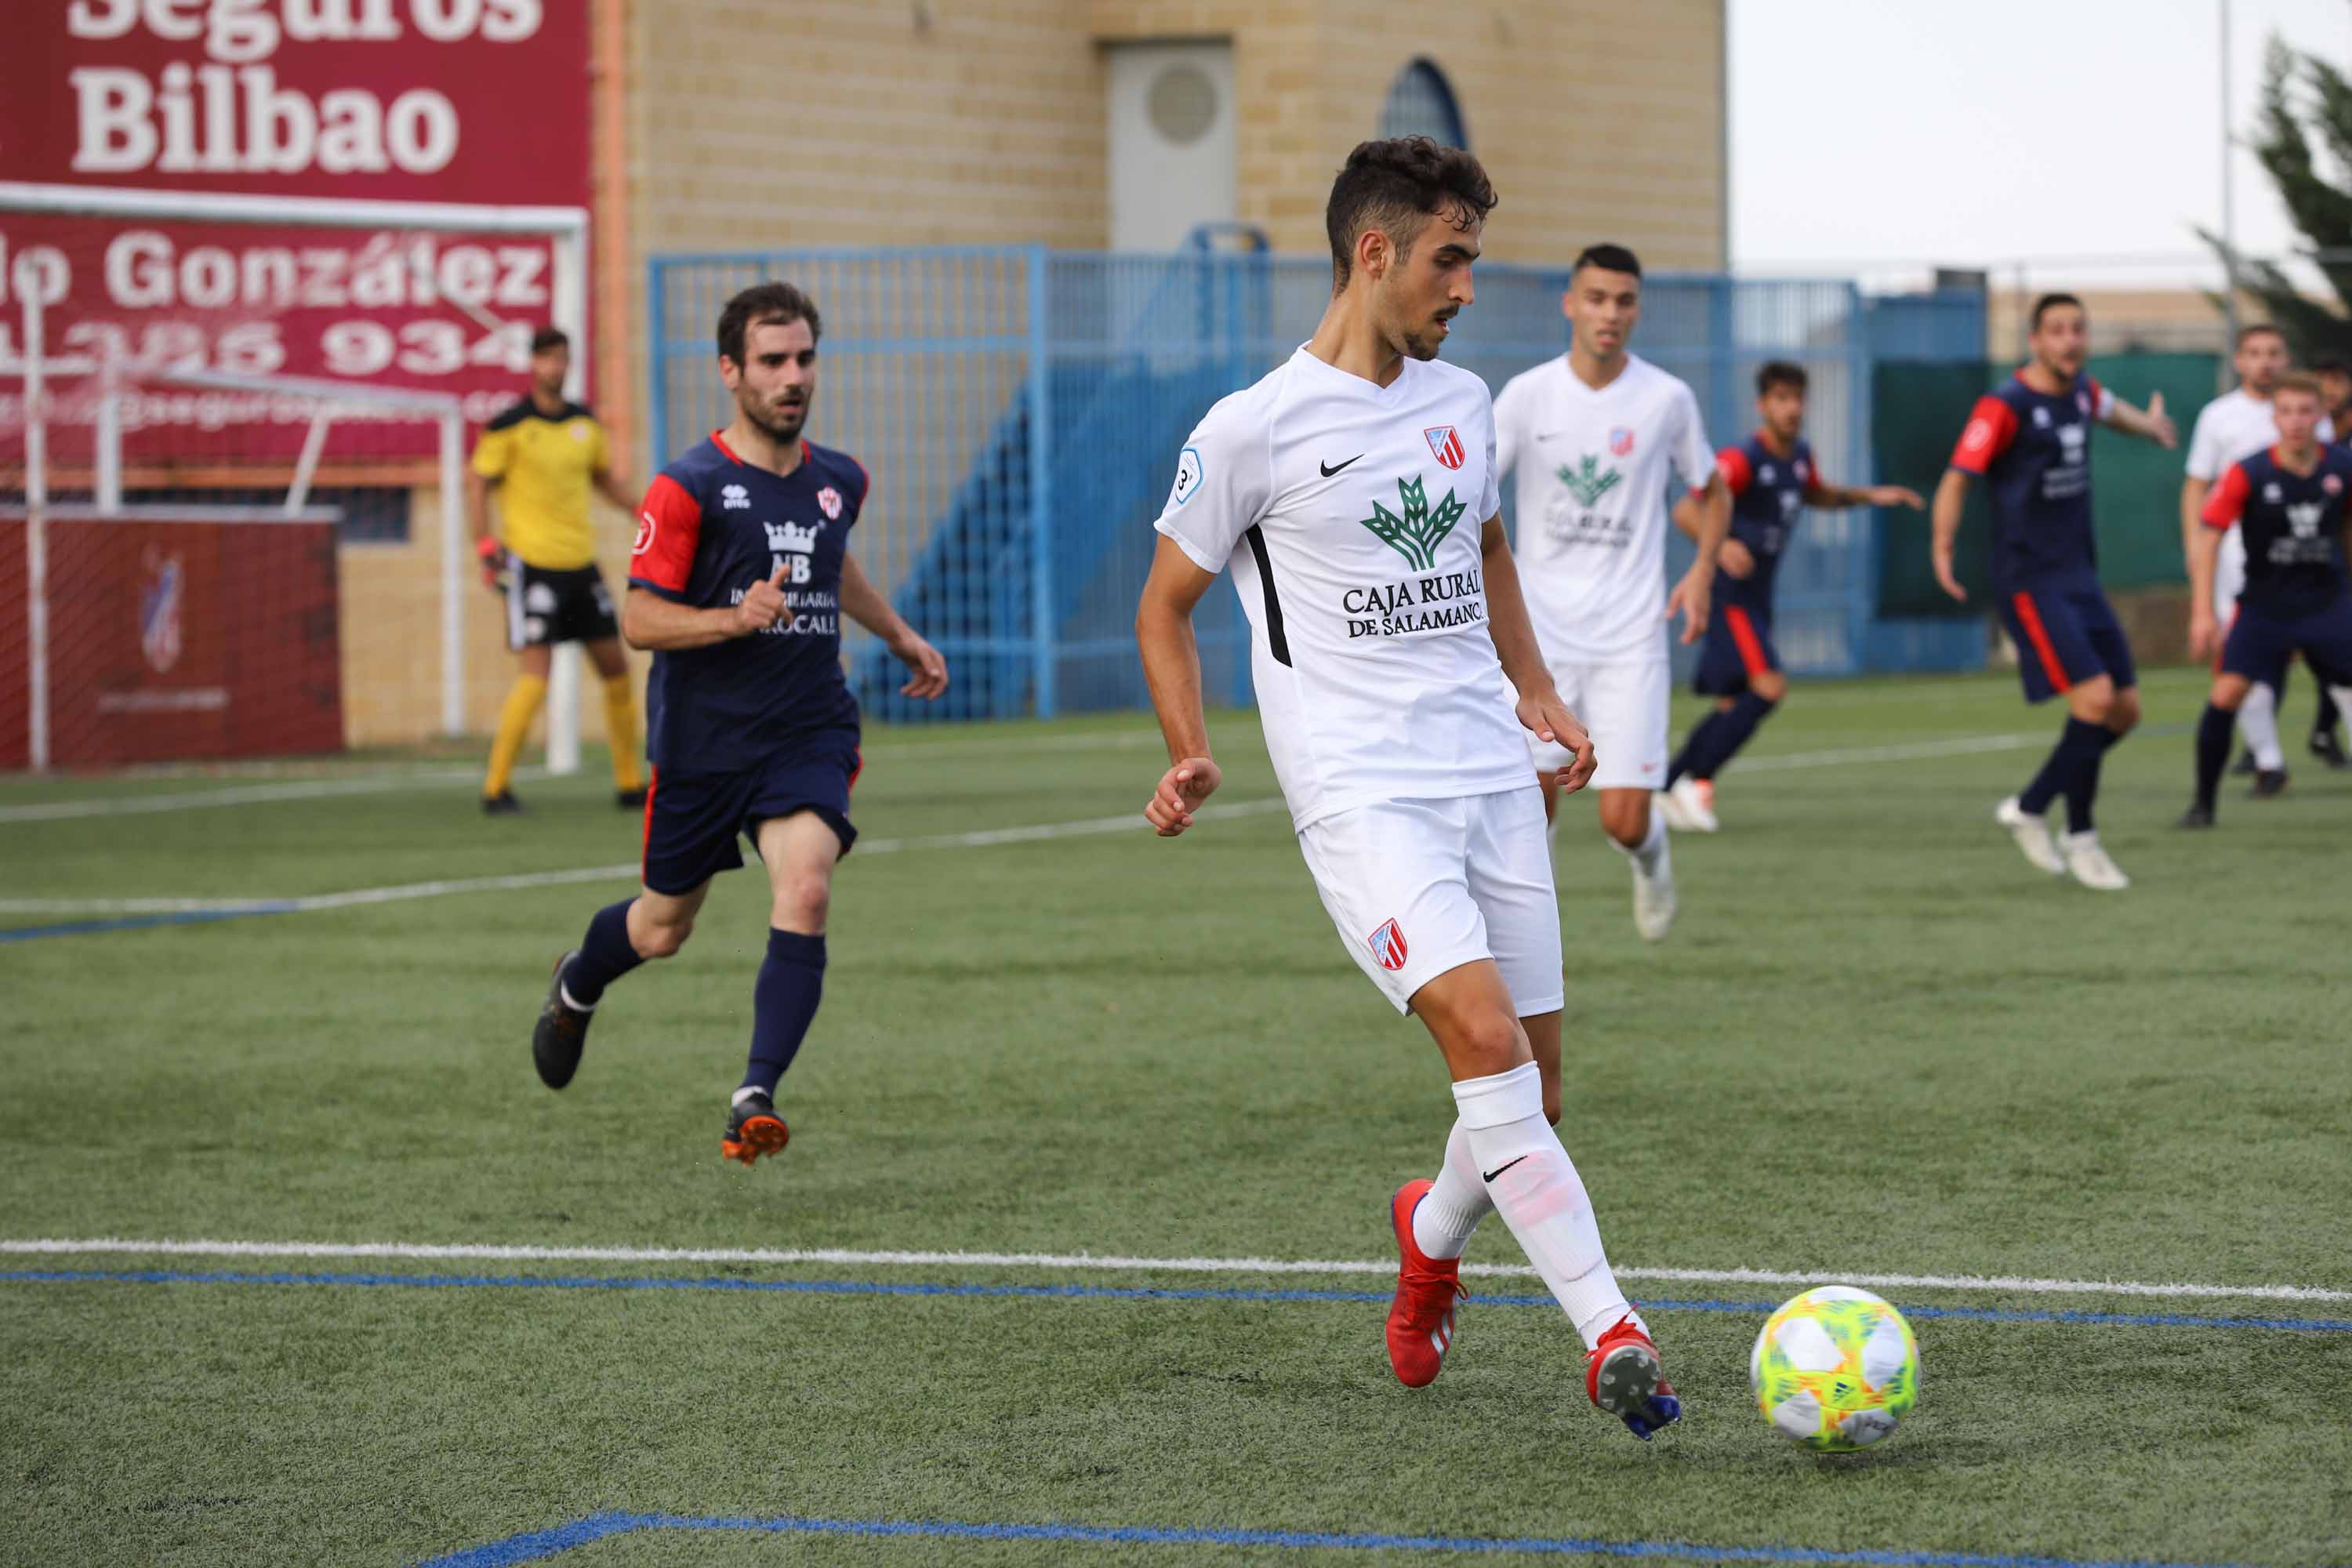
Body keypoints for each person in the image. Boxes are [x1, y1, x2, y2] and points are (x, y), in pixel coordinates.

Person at [1134, 137, 1679, 1440]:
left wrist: (1537, 693)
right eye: (1452, 259)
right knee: (1482, 1042)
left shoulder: (1462, 404)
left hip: (1493, 774)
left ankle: (1428, 1237)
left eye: (1474, 261)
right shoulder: (1252, 429)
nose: (1468, 288)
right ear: (1372, 253)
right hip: (1363, 794)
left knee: (1531, 1097)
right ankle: (1614, 1328)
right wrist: (1187, 746)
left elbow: (1486, 545)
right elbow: (1165, 606)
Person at [528, 282, 949, 1165]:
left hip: (806, 731)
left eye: (803, 359)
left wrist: (901, 634)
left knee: (806, 887)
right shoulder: (689, 487)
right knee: (661, 929)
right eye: (771, 362)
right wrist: (732, 617)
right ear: (731, 372)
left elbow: (832, 568)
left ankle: (754, 1092)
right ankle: (578, 979)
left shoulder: (840, 480)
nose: (792, 377)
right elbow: (641, 619)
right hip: (704, 742)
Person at [1491, 244, 1729, 940]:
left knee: (1623, 821)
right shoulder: (1528, 396)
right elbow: (1473, 494)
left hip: (1631, 639)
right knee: (1529, 816)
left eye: (1623, 301)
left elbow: (1711, 493)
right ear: (1570, 304)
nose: (1609, 313)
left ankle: (1652, 861)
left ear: (1637, 310)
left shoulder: (1665, 399)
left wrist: (1703, 571)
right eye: (1595, 298)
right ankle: (1531, 938)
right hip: (1541, 644)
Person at [1932, 292, 2176, 891]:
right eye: (2057, 331)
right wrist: (1941, 548)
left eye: (2078, 330)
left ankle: (2034, 807)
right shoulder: (2005, 405)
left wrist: (2150, 427)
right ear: (2035, 341)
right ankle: (2079, 834)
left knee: (2124, 711)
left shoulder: (2084, 392)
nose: (2070, 340)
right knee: (2092, 701)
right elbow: (1958, 479)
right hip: (2029, 580)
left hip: (2079, 575)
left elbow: (2114, 410)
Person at [1655, 362, 1923, 832]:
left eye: (1798, 398)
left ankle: (1669, 785)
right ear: (1762, 406)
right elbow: (1685, 510)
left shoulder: (1800, 456)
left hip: (1758, 599)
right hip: (1730, 597)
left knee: (1733, 702)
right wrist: (1721, 546)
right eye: (1781, 399)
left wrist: (1871, 496)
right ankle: (1691, 782)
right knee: (1769, 687)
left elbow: (1817, 493)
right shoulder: (1743, 460)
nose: (1792, 408)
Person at [470, 326, 647, 814]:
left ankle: (631, 783)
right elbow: (479, 485)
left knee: (616, 668)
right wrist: (486, 547)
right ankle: (496, 786)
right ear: (533, 363)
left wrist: (643, 511)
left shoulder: (584, 425)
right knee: (536, 676)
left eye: (563, 358)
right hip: (532, 567)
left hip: (581, 565)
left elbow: (603, 480)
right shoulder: (508, 425)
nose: (556, 367)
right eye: (547, 358)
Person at [2180, 371, 2352, 825]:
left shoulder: (2342, 467)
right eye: (2286, 411)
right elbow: (2209, 536)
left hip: (2328, 602)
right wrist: (2202, 612)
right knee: (2226, 694)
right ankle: (2203, 805)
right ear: (2273, 418)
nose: (2296, 421)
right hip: (2265, 606)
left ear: (2320, 416)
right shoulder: (2248, 471)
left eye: (2305, 411)